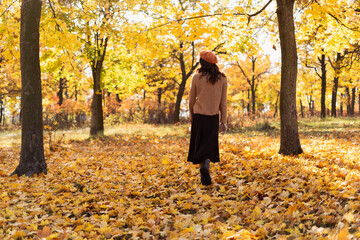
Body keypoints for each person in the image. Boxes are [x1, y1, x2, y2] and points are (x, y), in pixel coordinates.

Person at [187, 50, 227, 186]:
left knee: (198, 147)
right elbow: (223, 103)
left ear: (201, 63)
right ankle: (206, 165)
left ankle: (203, 168)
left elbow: (191, 101)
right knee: (209, 147)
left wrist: (191, 117)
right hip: (213, 117)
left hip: (199, 116)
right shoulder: (222, 78)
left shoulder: (196, 77)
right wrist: (224, 121)